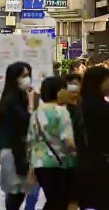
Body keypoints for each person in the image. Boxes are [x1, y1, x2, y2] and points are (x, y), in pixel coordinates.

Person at [27, 77, 77, 210]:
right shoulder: (61, 112)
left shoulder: (36, 113)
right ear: (59, 91)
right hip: (59, 164)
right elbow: (68, 142)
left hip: (39, 164)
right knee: (59, 202)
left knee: (53, 200)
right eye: (65, 88)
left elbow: (31, 141)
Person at [0, 62, 33, 210]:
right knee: (15, 193)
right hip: (13, 151)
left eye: (28, 75)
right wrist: (31, 105)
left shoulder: (19, 97)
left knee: (18, 192)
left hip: (19, 149)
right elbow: (25, 121)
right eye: (24, 76)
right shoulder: (11, 100)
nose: (27, 79)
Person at [76, 66, 109, 209]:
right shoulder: (100, 108)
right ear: (99, 82)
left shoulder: (80, 104)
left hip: (84, 162)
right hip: (100, 163)